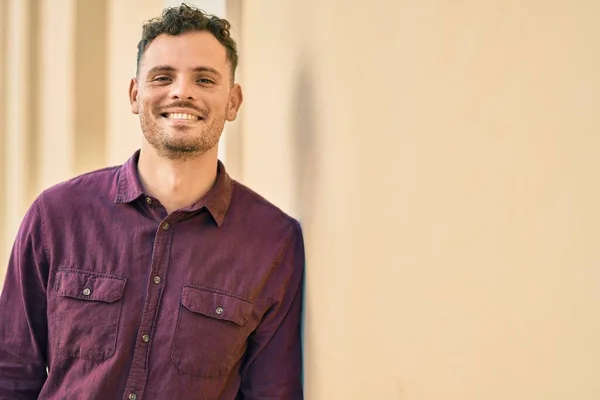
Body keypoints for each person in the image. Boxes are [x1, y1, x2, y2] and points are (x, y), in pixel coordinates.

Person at [0, 4, 304, 399]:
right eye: (163, 77)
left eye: (204, 79)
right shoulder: (56, 216)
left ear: (233, 102)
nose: (182, 91)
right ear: (134, 93)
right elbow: (11, 374)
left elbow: (272, 392)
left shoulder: (272, 242)